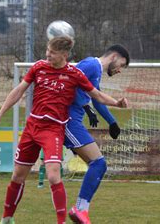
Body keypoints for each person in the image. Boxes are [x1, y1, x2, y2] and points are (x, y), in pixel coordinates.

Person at [0, 36, 129, 224]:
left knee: (55, 175)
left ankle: (66, 218)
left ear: (64, 55)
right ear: (114, 56)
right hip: (42, 125)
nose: (47, 54)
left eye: (52, 52)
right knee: (18, 175)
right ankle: (7, 219)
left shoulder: (77, 72)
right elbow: (19, 90)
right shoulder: (43, 67)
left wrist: (114, 106)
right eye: (47, 50)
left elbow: (95, 94)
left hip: (54, 128)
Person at [65, 45, 130, 224]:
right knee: (99, 164)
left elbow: (96, 97)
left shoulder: (95, 70)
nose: (119, 70)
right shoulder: (92, 65)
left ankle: (80, 210)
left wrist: (112, 121)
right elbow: (68, 80)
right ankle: (79, 209)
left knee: (98, 164)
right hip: (67, 121)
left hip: (72, 121)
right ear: (114, 56)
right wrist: (82, 106)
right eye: (121, 65)